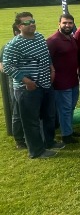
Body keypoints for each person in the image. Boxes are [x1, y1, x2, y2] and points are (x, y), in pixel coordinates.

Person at [2, 12, 63, 158]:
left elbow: (46, 55)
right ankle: (36, 151)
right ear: (19, 26)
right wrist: (26, 81)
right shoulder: (14, 44)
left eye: (33, 21)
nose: (32, 24)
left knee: (49, 115)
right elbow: (8, 66)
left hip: (46, 84)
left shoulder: (40, 37)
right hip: (28, 89)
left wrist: (52, 68)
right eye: (27, 23)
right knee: (31, 121)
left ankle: (49, 141)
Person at [46, 14, 80, 144]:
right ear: (59, 23)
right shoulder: (53, 41)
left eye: (70, 23)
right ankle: (66, 135)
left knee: (70, 107)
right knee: (64, 109)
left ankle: (68, 129)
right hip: (61, 82)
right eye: (65, 23)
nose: (68, 25)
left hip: (73, 79)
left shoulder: (71, 38)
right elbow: (47, 61)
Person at [0, 23, 25, 149]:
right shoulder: (8, 47)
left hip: (27, 84)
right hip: (15, 84)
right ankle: (19, 140)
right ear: (17, 31)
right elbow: (3, 68)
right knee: (17, 112)